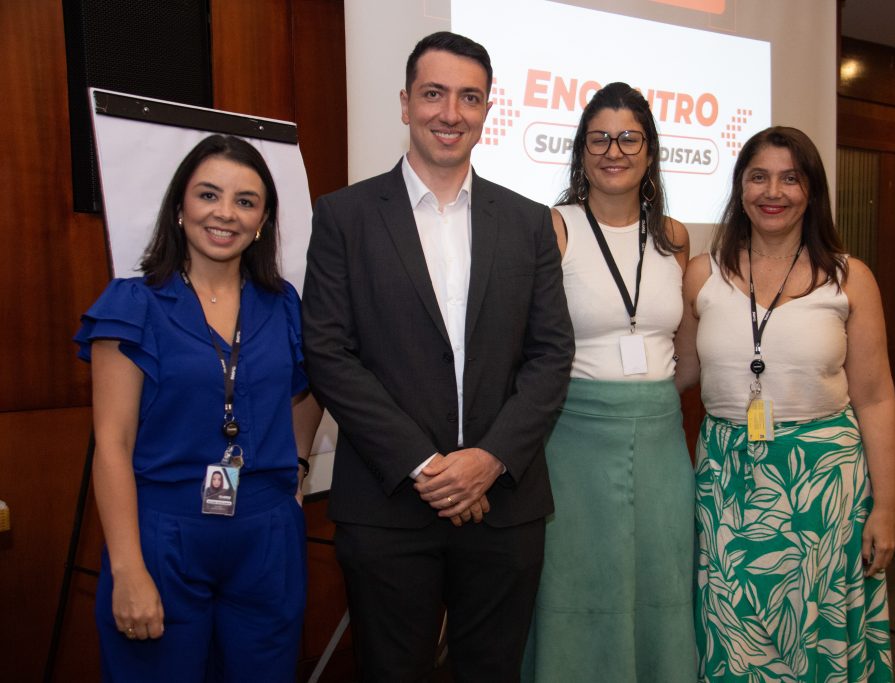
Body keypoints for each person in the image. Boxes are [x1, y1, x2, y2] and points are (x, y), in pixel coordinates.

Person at [301, 31, 574, 682]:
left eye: (469, 98)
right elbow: (328, 352)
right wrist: (426, 466)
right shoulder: (344, 216)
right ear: (405, 103)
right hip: (388, 502)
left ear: (487, 111)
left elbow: (550, 354)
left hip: (503, 503)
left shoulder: (529, 222)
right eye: (433, 94)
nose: (450, 113)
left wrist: (488, 459)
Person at [75, 134, 322, 682]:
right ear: (180, 207)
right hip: (164, 535)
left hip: (267, 534)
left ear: (263, 221)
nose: (225, 213)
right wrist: (128, 569)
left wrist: (298, 471)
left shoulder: (283, 303)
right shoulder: (132, 304)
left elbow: (306, 390)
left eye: (245, 201)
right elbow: (112, 444)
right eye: (208, 195)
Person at [677, 126, 895, 681]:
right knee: (733, 629)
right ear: (740, 187)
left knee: (814, 634)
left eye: (790, 178)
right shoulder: (703, 274)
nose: (772, 192)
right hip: (727, 481)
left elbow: (874, 398)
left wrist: (886, 508)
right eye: (759, 177)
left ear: (811, 190)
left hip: (824, 486)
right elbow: (679, 373)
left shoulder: (850, 278)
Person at [521, 82, 696, 682]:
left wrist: (652, 403)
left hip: (661, 442)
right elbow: (529, 346)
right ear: (581, 151)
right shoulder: (555, 227)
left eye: (628, 138)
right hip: (574, 442)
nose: (613, 151)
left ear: (650, 152)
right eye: (599, 139)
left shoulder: (674, 237)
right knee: (576, 583)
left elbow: (683, 346)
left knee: (663, 579)